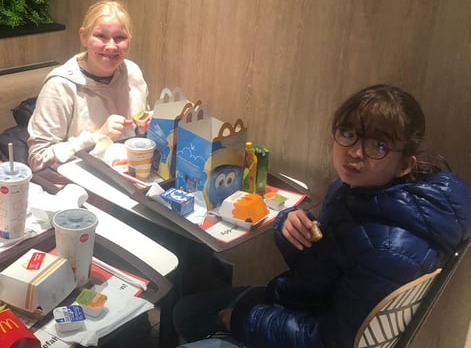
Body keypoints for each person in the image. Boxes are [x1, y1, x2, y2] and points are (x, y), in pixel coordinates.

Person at [173, 84, 471, 348]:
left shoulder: (389, 249)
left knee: (197, 317)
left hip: (312, 327)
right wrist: (289, 225)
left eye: (378, 145)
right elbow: (323, 266)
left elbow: (331, 342)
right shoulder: (351, 191)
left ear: (404, 165)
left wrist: (243, 320)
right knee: (185, 312)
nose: (355, 152)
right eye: (348, 133)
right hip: (303, 303)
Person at [27, 0, 149, 172]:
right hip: (81, 180)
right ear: (84, 37)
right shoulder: (60, 85)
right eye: (101, 36)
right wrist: (97, 136)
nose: (111, 46)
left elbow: (139, 130)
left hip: (131, 173)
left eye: (120, 38)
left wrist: (152, 127)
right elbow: (38, 158)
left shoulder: (132, 73)